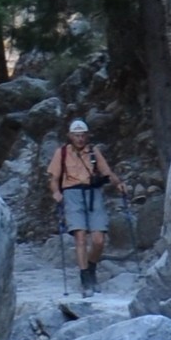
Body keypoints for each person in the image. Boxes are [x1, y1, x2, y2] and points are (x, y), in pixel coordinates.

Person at [46, 118, 124, 293]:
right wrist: (56, 193)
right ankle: (85, 278)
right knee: (80, 236)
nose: (80, 139)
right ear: (70, 136)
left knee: (98, 240)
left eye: (82, 136)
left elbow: (107, 172)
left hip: (93, 193)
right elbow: (54, 178)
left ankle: (91, 266)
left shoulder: (93, 152)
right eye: (76, 136)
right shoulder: (62, 153)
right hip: (72, 194)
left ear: (87, 136)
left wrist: (118, 184)